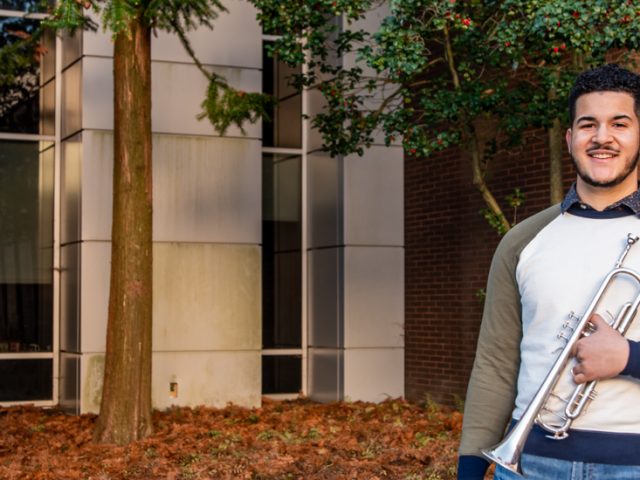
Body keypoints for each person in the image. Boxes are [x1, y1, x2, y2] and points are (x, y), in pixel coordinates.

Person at [458, 63, 640, 480]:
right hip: (529, 464)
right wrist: (469, 469)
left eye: (620, 123)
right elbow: (496, 363)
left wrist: (628, 357)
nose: (602, 137)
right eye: (587, 124)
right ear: (570, 138)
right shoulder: (523, 239)